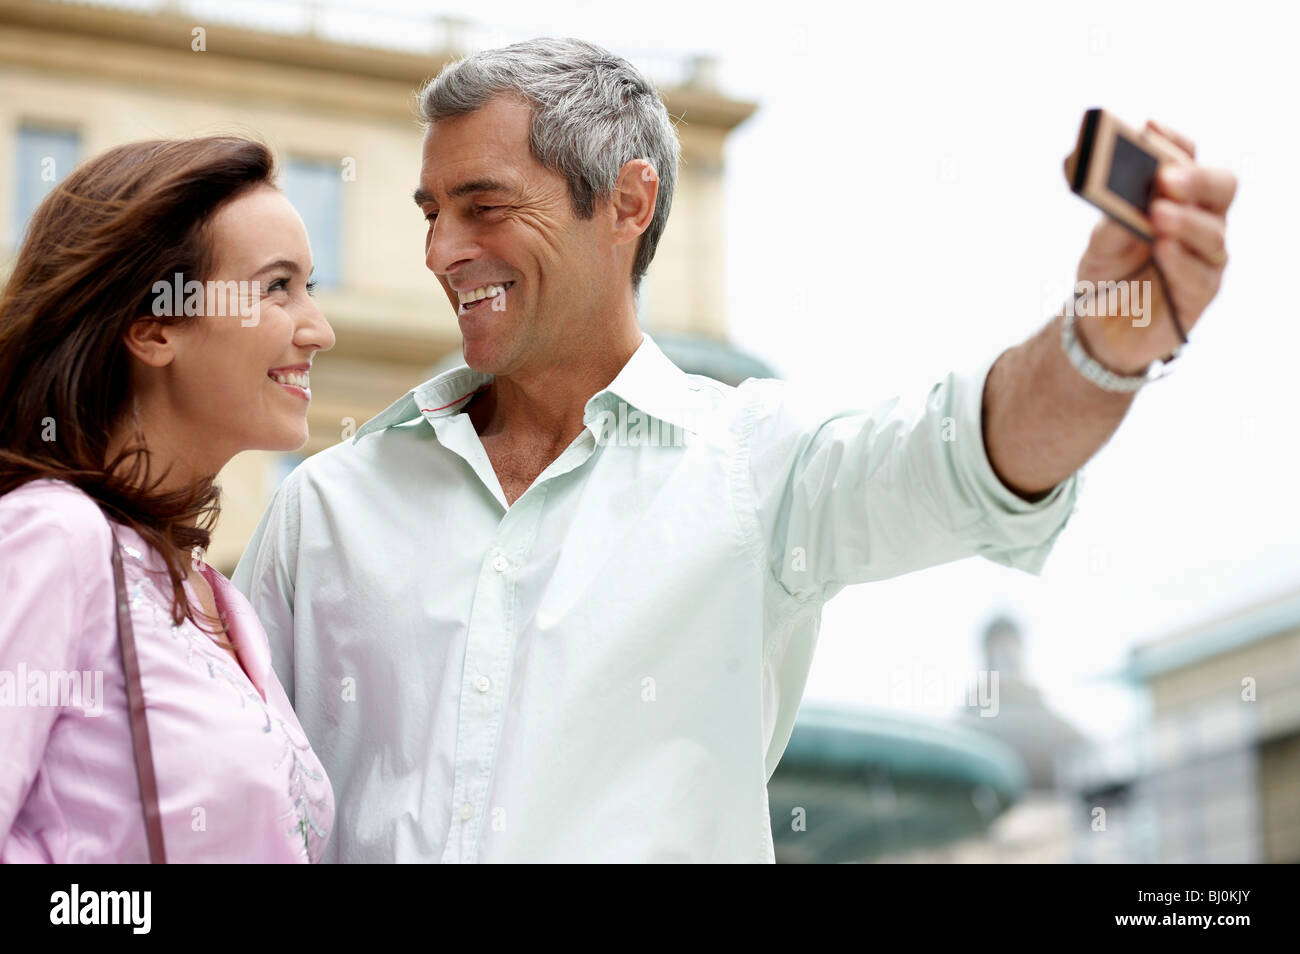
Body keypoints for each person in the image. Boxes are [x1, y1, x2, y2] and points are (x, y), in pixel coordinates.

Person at [232, 38, 1236, 862]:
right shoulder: (323, 507)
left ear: (627, 203)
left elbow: (972, 452)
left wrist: (1100, 342)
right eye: (430, 212)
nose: (441, 252)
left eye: (484, 207)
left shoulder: (754, 467)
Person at [0, 136, 337, 862]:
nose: (319, 329)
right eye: (277, 287)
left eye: (310, 287)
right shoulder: (52, 538)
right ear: (153, 326)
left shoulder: (222, 600)